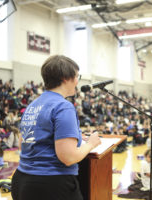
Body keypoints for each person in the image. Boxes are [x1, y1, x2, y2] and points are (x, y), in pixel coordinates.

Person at [11, 55, 101, 200]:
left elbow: (24, 143)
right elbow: (68, 157)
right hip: (51, 185)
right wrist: (91, 143)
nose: (78, 81)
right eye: (77, 76)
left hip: (22, 181)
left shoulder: (33, 105)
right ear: (65, 78)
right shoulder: (63, 106)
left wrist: (76, 136)